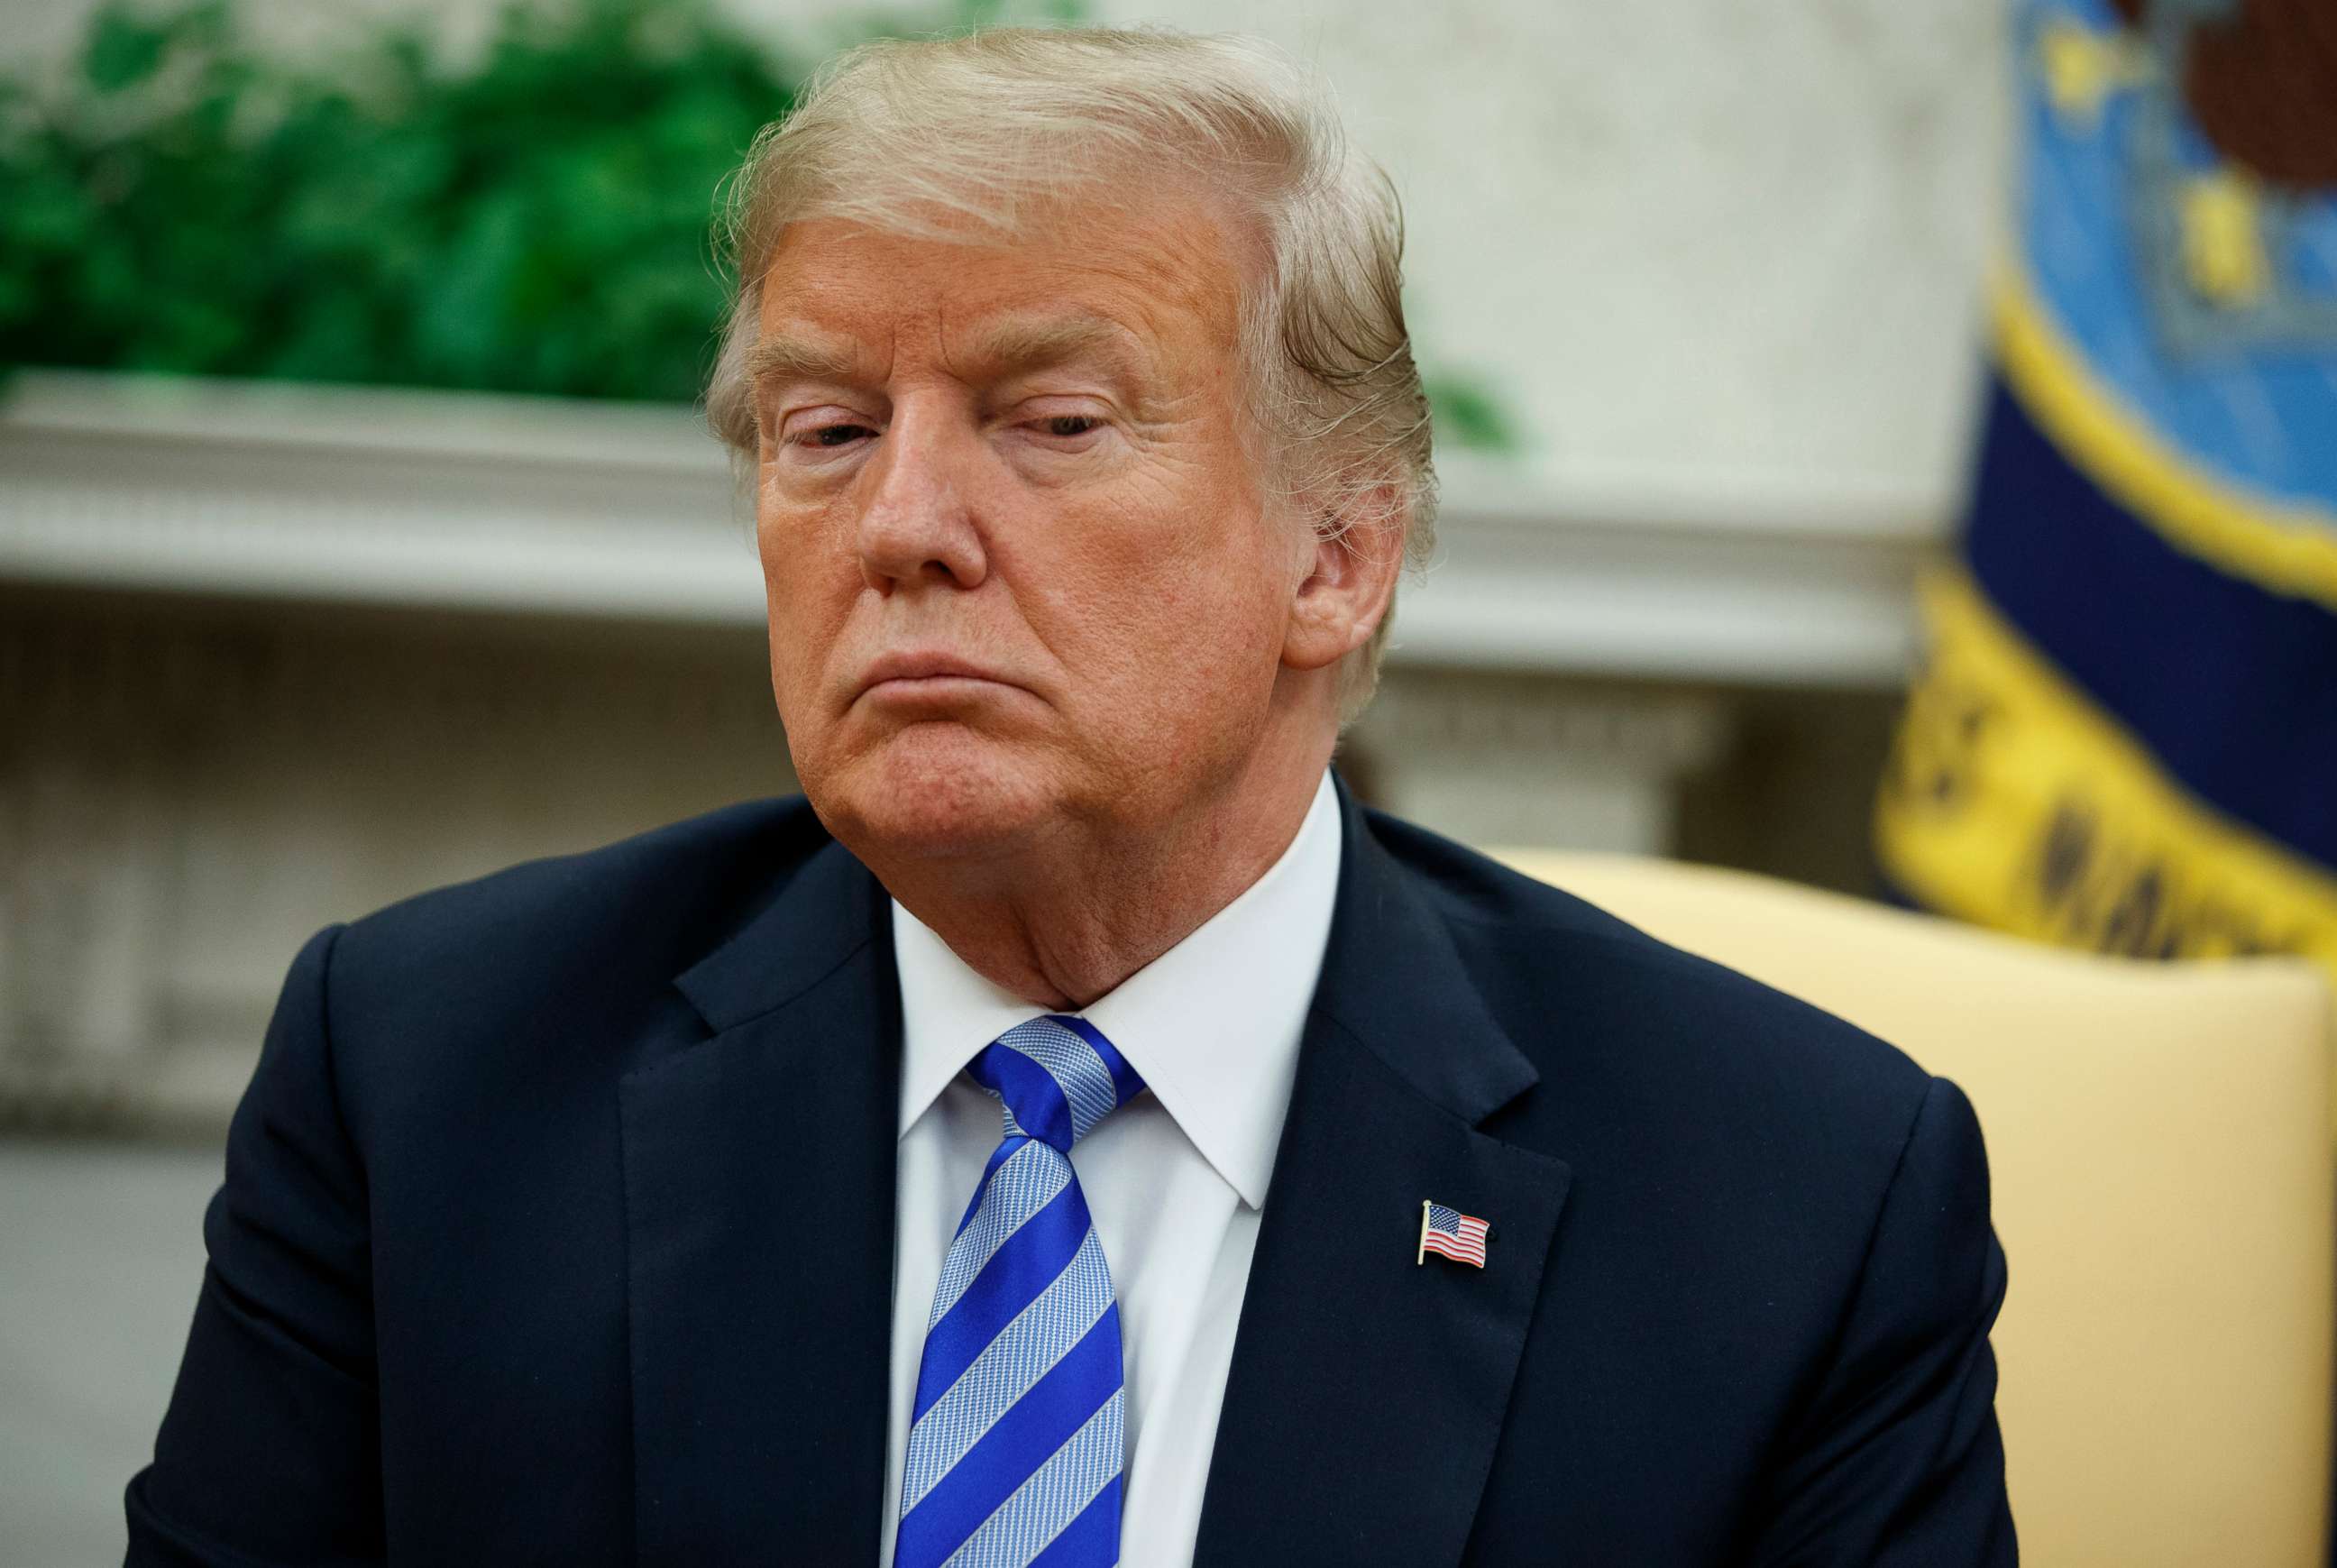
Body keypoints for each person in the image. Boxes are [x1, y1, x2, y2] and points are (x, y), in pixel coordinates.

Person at [125, 26, 2013, 1567]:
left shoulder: (1790, 1203)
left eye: (1053, 423)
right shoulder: (432, 1078)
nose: (903, 529)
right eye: (828, 432)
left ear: (1338, 555)